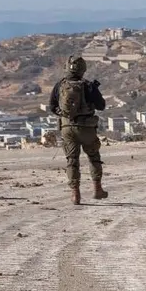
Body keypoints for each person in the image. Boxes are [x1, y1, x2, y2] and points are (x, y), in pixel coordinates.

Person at [49, 55, 107, 205]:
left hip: (67, 128)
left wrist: (66, 115)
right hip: (86, 128)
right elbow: (101, 105)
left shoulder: (60, 86)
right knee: (93, 157)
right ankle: (97, 189)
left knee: (72, 160)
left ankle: (75, 194)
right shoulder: (88, 85)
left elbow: (52, 107)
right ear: (83, 69)